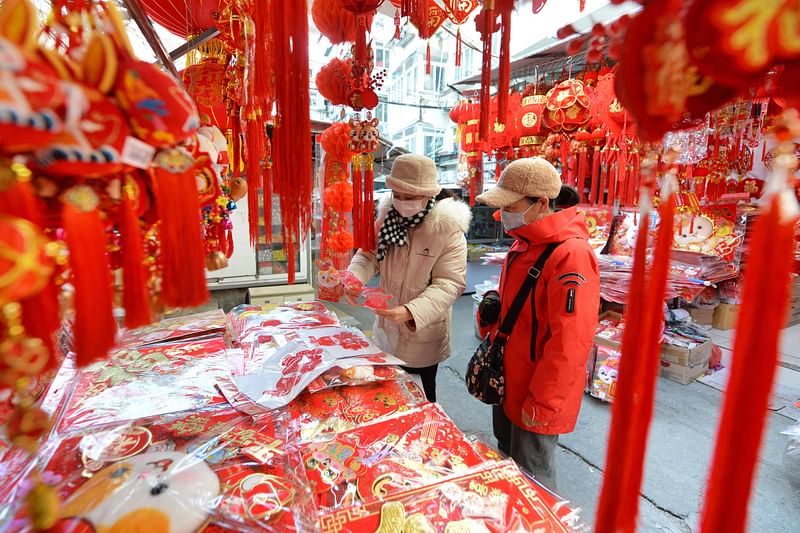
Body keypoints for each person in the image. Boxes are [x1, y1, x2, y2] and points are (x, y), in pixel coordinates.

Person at [475, 158, 599, 490]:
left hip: (537, 391)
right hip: (508, 381)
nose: (502, 216)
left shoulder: (570, 255)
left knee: (534, 481)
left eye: (509, 207)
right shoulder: (524, 242)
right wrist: (489, 315)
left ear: (541, 203)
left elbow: (570, 343)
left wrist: (543, 405)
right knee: (508, 464)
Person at [348, 154, 471, 402]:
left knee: (421, 397)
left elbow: (449, 283)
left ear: (428, 195)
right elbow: (369, 254)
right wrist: (353, 278)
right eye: (398, 195)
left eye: (410, 197)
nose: (402, 202)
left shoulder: (447, 229)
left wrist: (411, 311)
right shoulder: (386, 219)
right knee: (386, 394)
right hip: (385, 327)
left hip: (422, 333)